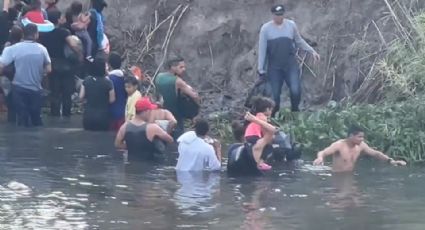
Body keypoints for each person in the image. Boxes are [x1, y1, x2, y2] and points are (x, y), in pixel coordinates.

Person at [258, 4, 320, 114]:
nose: (279, 17)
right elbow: (262, 49)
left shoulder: (291, 25)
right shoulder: (265, 29)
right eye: (277, 15)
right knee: (275, 95)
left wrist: (312, 51)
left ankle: (295, 111)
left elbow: (299, 41)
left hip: (290, 65)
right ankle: (274, 116)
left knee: (296, 90)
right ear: (272, 15)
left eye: (281, 15)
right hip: (274, 67)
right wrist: (261, 69)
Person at [0, 23, 51, 127]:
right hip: (36, 89)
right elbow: (49, 69)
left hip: (18, 89)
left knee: (22, 120)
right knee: (36, 120)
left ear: (23, 34)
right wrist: (41, 74)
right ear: (36, 34)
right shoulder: (42, 49)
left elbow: (1, 65)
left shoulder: (13, 49)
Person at [40, 10, 81, 117]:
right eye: (62, 17)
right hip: (65, 65)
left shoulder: (43, 33)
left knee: (54, 92)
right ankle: (67, 114)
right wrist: (79, 54)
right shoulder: (63, 31)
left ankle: (55, 114)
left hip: (51, 65)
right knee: (67, 92)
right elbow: (73, 45)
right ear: (58, 20)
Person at [313, 126, 407, 173]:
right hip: (337, 177)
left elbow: (375, 154)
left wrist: (391, 161)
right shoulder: (339, 145)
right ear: (351, 136)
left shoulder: (361, 145)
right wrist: (320, 158)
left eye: (362, 137)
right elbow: (323, 152)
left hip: (349, 177)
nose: (362, 139)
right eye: (359, 137)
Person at [155, 57, 200, 139]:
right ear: (173, 67)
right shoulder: (177, 81)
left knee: (162, 137)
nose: (184, 69)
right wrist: (195, 112)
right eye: (181, 67)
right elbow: (194, 96)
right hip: (175, 115)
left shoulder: (159, 76)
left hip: (160, 113)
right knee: (178, 138)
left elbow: (158, 94)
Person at [79, 58, 115, 131]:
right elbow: (112, 100)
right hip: (103, 117)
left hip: (88, 117)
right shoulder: (108, 82)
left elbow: (81, 97)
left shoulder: (86, 80)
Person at [244, 97, 278, 171]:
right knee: (266, 146)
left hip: (248, 136)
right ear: (267, 109)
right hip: (254, 135)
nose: (271, 112)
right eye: (271, 110)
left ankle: (258, 163)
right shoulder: (263, 117)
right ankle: (259, 163)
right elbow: (266, 130)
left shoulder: (257, 115)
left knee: (263, 146)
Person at [3, 25, 23, 124]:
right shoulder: (23, 47)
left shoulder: (8, 46)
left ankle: (11, 119)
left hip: (8, 75)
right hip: (20, 75)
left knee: (10, 99)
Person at [108, 53, 127, 131]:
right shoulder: (126, 77)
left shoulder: (108, 79)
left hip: (111, 114)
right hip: (124, 113)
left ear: (109, 64)